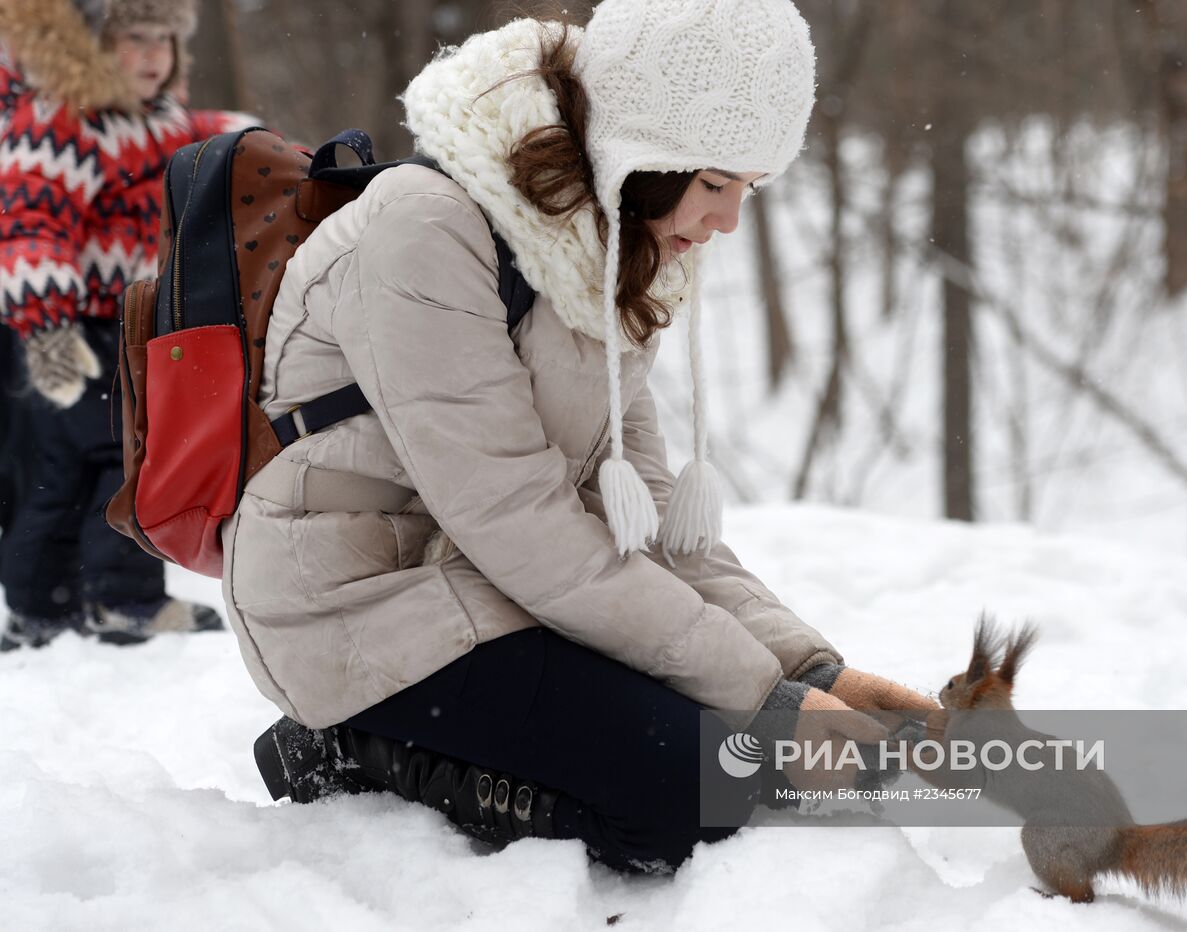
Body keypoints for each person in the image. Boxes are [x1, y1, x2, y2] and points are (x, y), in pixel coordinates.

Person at [239, 0, 940, 873]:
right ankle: (340, 746)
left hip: (490, 586)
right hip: (358, 599)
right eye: (716, 184)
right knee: (693, 792)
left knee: (741, 765)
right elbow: (515, 516)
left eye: (748, 191)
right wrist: (763, 703)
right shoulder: (426, 227)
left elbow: (639, 518)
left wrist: (808, 670)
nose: (726, 222)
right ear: (644, 153)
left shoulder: (607, 251)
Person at [0, 0, 244, 650]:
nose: (152, 56)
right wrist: (47, 328)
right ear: (92, 46)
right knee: (121, 458)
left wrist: (245, 138)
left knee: (78, 468)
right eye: (134, 38)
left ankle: (41, 603)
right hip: (71, 328)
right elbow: (31, 222)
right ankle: (119, 599)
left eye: (164, 40)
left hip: (126, 322)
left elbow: (192, 138)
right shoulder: (63, 120)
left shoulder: (153, 119)